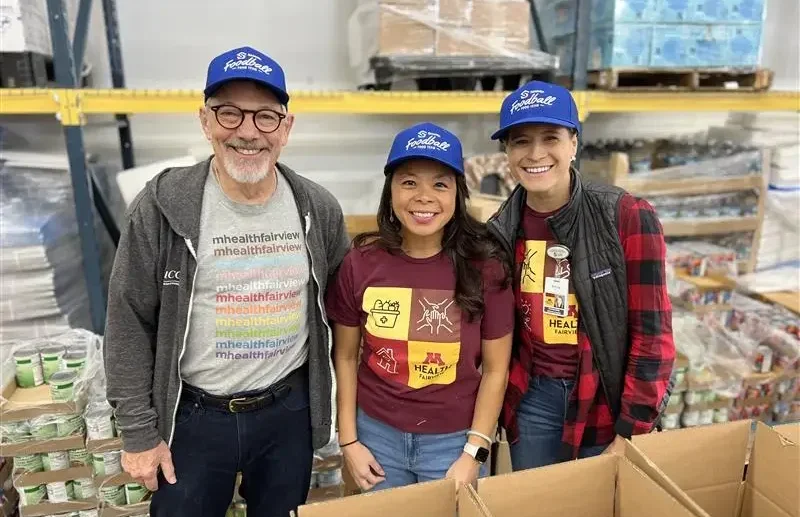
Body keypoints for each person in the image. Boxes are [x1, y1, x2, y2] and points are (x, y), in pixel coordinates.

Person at [103, 46, 350, 517]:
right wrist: (138, 432)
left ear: (287, 128)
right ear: (205, 120)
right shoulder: (161, 207)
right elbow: (128, 320)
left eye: (264, 117)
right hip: (193, 418)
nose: (247, 132)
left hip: (286, 414)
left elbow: (343, 316)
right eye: (229, 113)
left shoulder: (317, 210)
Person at [485, 81, 676, 470]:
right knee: (537, 505)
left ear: (573, 143)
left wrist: (631, 431)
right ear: (507, 152)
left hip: (604, 398)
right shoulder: (500, 230)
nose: (536, 154)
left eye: (550, 137)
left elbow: (652, 334)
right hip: (533, 399)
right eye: (521, 141)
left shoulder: (624, 216)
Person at [326, 122, 515, 491]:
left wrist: (474, 452)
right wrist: (348, 440)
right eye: (409, 182)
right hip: (376, 439)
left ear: (458, 194)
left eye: (440, 184)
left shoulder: (486, 268)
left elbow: (496, 370)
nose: (423, 196)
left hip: (454, 443)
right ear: (391, 191)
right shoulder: (360, 263)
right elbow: (346, 357)